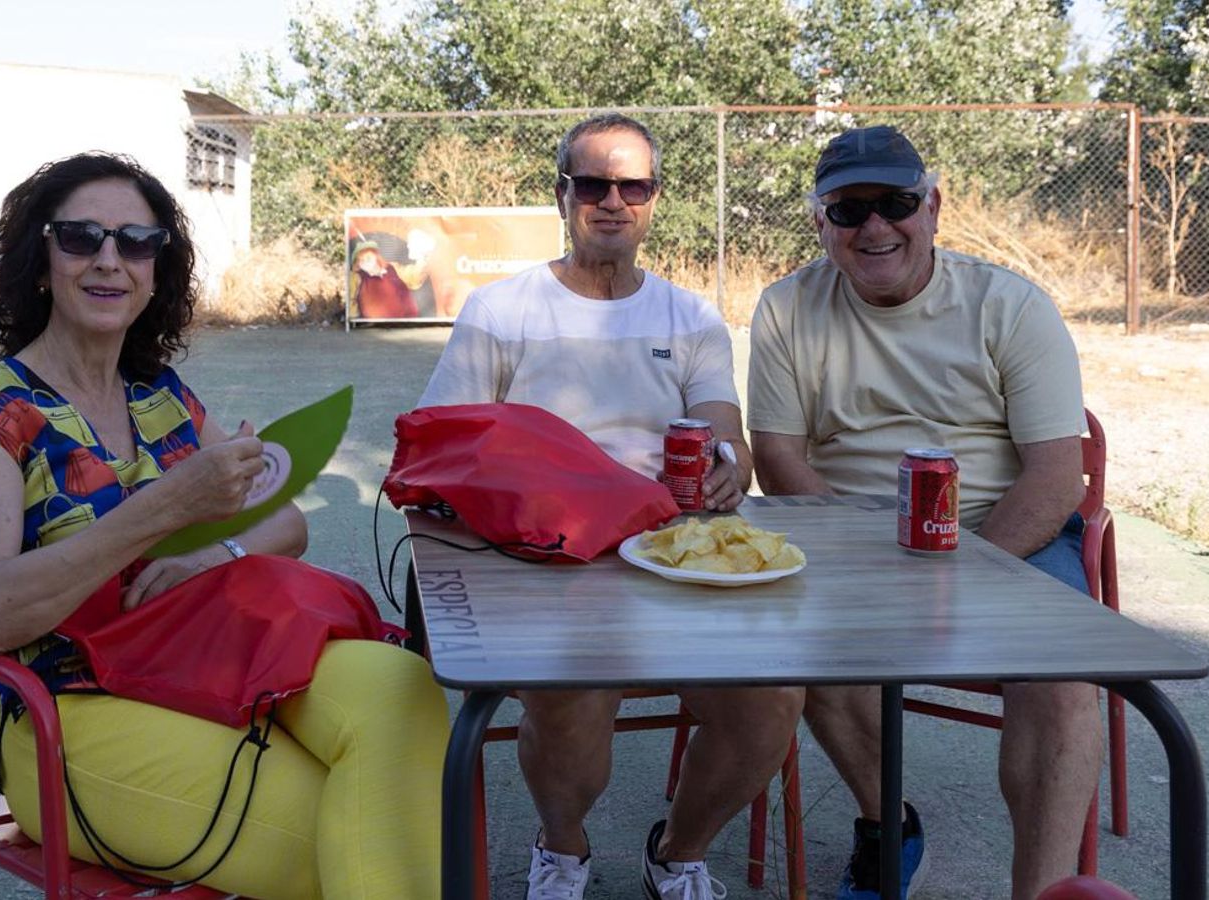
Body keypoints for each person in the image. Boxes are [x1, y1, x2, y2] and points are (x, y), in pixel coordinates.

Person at [0, 152, 447, 899]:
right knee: (347, 830)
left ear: (156, 271)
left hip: (191, 659)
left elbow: (284, 523)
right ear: (41, 260)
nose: (110, 260)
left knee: (401, 686)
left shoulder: (158, 397)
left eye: (136, 242)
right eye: (81, 238)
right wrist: (166, 507)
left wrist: (209, 555)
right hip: (69, 713)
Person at [417, 113, 804, 900]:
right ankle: (563, 848)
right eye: (592, 183)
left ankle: (678, 853)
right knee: (572, 689)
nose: (613, 201)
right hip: (544, 558)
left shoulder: (689, 316)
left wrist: (729, 470)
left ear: (655, 200)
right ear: (562, 195)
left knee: (772, 695)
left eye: (634, 185)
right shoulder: (501, 311)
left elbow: (726, 437)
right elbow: (441, 450)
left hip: (668, 551)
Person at [747, 125, 1100, 900]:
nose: (875, 227)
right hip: (847, 536)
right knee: (805, 645)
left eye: (896, 203)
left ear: (933, 205)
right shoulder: (785, 308)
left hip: (1005, 533)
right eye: (849, 210)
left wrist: (962, 573)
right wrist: (866, 563)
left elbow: (1053, 479)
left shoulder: (1011, 305)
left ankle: (1041, 892)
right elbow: (777, 458)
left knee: (1066, 681)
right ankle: (888, 825)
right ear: (821, 222)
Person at [351, 239, 420, 318]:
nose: (366, 261)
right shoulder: (358, 279)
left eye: (368, 257)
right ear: (358, 266)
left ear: (376, 256)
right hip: (377, 327)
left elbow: (411, 283)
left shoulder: (393, 268)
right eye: (361, 261)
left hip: (407, 323)